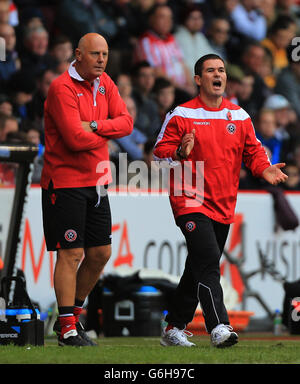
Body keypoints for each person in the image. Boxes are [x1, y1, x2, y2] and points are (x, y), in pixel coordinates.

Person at [153, 53, 288, 348]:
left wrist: (263, 167)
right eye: (211, 70)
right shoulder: (182, 114)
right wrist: (178, 152)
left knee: (199, 266)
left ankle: (173, 326)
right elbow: (158, 152)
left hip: (223, 203)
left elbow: (254, 151)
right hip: (189, 200)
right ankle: (219, 327)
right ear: (198, 80)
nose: (218, 75)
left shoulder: (238, 116)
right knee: (208, 264)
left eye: (222, 70)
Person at [41, 33, 133, 347]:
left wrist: (95, 126)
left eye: (105, 54)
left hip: (97, 180)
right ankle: (67, 327)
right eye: (95, 54)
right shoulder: (60, 88)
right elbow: (73, 140)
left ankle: (72, 317)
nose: (101, 60)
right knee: (70, 254)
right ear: (78, 55)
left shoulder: (105, 82)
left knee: (100, 253)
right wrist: (107, 130)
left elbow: (127, 122)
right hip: (65, 182)